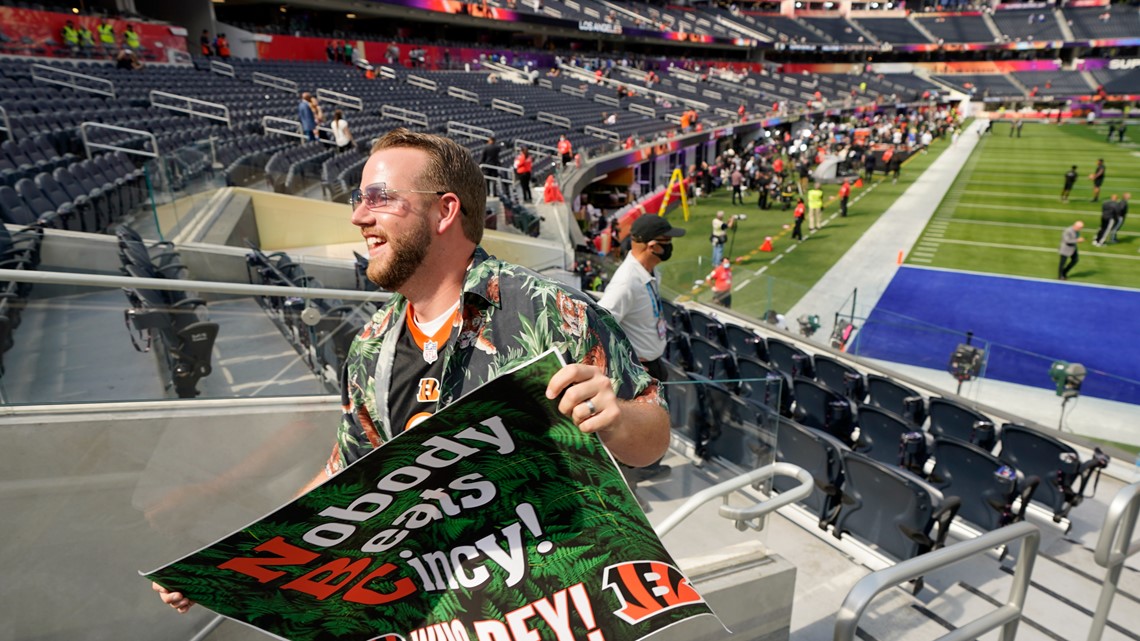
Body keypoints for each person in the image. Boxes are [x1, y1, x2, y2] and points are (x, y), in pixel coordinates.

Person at [154, 127, 670, 616]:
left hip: (552, 608)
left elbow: (652, 440)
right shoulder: (370, 346)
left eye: (378, 198)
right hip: (433, 612)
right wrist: (235, 563)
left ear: (445, 211)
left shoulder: (554, 312)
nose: (358, 217)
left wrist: (618, 416)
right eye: (358, 200)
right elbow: (346, 476)